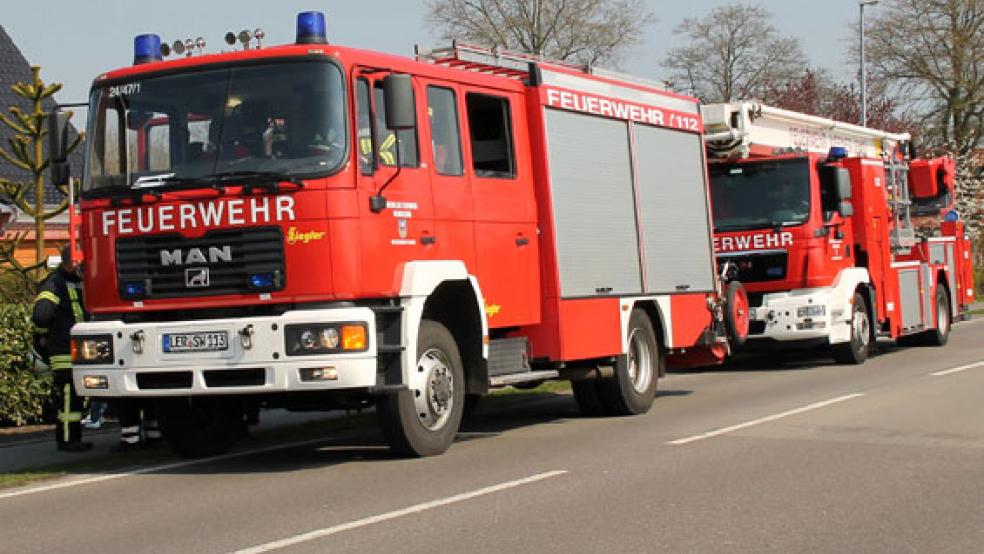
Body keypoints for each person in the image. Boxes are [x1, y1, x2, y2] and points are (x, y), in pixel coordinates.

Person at [32, 245, 92, 452]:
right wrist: (41, 336)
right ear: (72, 261)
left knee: (75, 397)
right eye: (79, 261)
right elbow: (41, 315)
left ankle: (73, 437)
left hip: (79, 349)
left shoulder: (75, 282)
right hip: (64, 350)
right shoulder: (54, 284)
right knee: (68, 396)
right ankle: (67, 440)